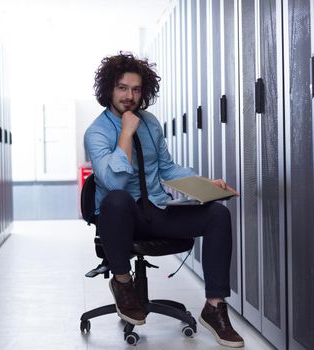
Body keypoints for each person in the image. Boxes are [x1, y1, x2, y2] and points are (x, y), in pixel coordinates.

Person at [84, 52, 244, 348]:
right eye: (122, 88)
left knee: (217, 215)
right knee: (117, 198)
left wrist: (205, 184)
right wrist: (126, 135)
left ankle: (214, 307)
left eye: (135, 89)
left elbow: (167, 168)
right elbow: (114, 181)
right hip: (121, 221)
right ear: (109, 89)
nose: (129, 96)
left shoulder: (151, 123)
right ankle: (123, 283)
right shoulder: (97, 132)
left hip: (155, 211)